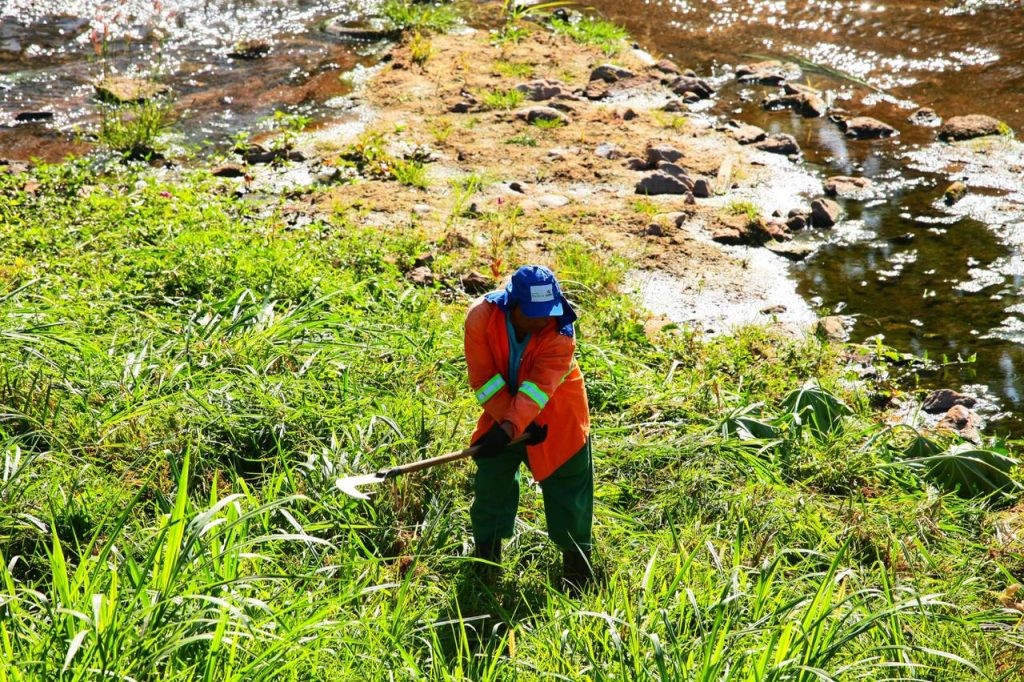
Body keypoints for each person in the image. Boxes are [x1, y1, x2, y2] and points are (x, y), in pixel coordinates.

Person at [464, 264, 594, 593]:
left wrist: (512, 426)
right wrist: (505, 425)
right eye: (533, 314)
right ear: (513, 305)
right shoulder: (481, 318)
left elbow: (538, 389)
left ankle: (578, 572)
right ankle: (486, 564)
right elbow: (484, 379)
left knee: (568, 493)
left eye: (546, 311)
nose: (542, 321)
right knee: (491, 479)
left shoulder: (561, 333)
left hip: (557, 416)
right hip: (502, 410)